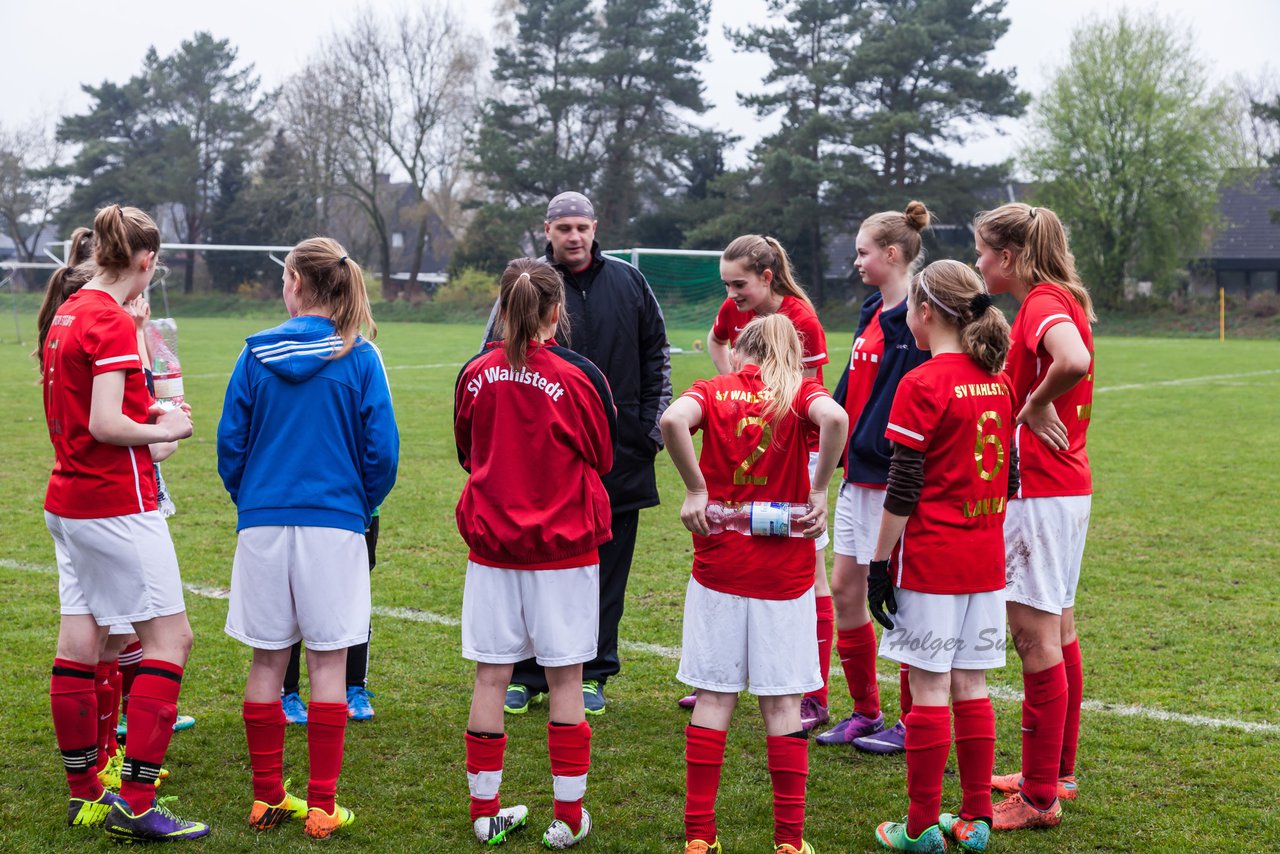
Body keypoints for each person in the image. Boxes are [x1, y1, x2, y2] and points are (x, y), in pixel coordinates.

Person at [217, 237, 399, 840]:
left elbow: (230, 447)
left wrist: (255, 501)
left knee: (268, 660)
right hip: (335, 525)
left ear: (294, 282)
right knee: (328, 662)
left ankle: (267, 798)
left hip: (264, 523)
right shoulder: (362, 357)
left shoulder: (252, 355)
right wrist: (358, 505)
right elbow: (383, 455)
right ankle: (321, 805)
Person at [39, 204, 207, 842]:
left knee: (81, 641)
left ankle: (87, 792)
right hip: (116, 505)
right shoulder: (107, 318)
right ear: (145, 260)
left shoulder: (69, 309)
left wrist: (153, 419)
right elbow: (106, 425)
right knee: (171, 642)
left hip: (70, 503)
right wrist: (169, 425)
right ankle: (137, 804)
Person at [662, 313, 848, 854]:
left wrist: (696, 488)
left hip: (718, 566)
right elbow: (834, 419)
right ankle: (789, 841)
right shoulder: (799, 392)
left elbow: (673, 421)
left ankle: (700, 837)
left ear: (742, 346)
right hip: (784, 575)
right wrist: (818, 494)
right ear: (789, 352)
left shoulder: (713, 389)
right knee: (783, 706)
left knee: (714, 699)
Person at [485, 191, 670, 717]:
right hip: (538, 459)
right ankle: (524, 674)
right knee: (532, 562)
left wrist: (649, 431)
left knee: (607, 569)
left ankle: (594, 671)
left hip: (620, 454)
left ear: (595, 227)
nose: (573, 236)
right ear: (547, 229)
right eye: (563, 227)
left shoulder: (630, 282)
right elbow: (490, 356)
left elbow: (657, 351)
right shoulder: (527, 283)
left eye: (581, 227)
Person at [455, 258, 615, 849]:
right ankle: (569, 818)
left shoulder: (475, 372)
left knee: (491, 676)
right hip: (564, 551)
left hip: (494, 548)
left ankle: (484, 811)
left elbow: (468, 452)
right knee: (566, 676)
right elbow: (602, 454)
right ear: (557, 311)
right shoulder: (580, 376)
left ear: (501, 307)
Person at [863, 259, 1016, 854]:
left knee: (928, 691)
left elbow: (903, 488)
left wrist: (879, 564)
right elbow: (1012, 477)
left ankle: (922, 826)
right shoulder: (997, 379)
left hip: (933, 561)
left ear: (925, 312)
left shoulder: (922, 382)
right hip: (985, 558)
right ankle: (975, 820)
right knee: (971, 685)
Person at [974, 203, 1095, 832]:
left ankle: (1040, 797)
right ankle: (1056, 774)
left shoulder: (1042, 304)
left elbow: (1071, 360)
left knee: (1034, 638)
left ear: (1011, 256)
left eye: (983, 252)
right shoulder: (1060, 296)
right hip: (1065, 488)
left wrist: (1032, 403)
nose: (978, 262)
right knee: (1060, 629)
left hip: (1042, 492)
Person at [687, 235, 834, 731]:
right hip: (745, 431)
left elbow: (816, 397)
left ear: (767, 278)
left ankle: (811, 691)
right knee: (735, 551)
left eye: (740, 284)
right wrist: (730, 382)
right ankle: (719, 674)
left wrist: (817, 484)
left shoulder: (802, 320)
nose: (732, 295)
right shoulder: (734, 310)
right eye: (726, 285)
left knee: (804, 569)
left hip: (798, 447)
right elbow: (717, 340)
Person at [818, 202, 932, 754]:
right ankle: (866, 710)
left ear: (892, 254)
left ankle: (916, 719)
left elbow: (911, 403)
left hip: (892, 481)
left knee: (902, 599)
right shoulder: (872, 308)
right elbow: (849, 386)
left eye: (863, 252)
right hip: (855, 475)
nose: (856, 260)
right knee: (845, 589)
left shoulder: (916, 318)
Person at [279, 506, 381, 726]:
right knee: (291, 596)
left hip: (355, 511)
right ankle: (288, 693)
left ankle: (355, 688)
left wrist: (362, 501)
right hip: (293, 512)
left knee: (353, 596)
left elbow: (381, 473)